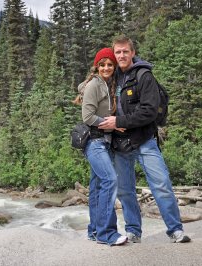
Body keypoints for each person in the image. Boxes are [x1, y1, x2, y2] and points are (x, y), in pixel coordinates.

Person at [98, 35, 191, 243]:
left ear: (132, 53)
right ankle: (133, 231)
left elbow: (149, 111)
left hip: (144, 139)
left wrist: (119, 121)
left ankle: (175, 230)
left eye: (125, 51)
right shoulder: (111, 77)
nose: (121, 55)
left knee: (161, 184)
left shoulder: (144, 75)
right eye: (118, 52)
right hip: (120, 144)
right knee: (125, 191)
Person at [74, 47, 127, 246]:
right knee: (110, 180)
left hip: (105, 142)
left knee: (96, 187)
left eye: (110, 65)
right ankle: (107, 233)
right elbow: (87, 117)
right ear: (96, 67)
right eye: (102, 64)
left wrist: (115, 127)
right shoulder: (94, 85)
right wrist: (113, 124)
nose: (106, 68)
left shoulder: (109, 85)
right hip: (94, 142)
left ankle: (95, 231)